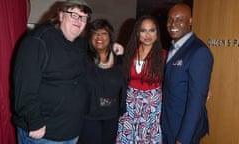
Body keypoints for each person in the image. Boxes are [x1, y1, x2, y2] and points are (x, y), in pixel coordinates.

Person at [12, 0, 92, 143]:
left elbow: (96, 59)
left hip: (71, 130)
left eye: (83, 17)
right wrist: (35, 122)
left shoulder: (80, 44)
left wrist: (113, 48)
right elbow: (23, 88)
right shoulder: (38, 41)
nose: (78, 20)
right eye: (73, 14)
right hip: (43, 134)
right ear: (61, 15)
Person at [161, 3, 214, 144]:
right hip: (168, 124)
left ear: (190, 21)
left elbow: (197, 100)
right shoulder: (173, 48)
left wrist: (183, 138)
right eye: (170, 19)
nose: (173, 24)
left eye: (179, 19)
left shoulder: (199, 51)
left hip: (183, 130)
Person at [116, 15, 165, 144]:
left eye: (152, 30)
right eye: (143, 30)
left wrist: (204, 88)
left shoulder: (164, 55)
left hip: (152, 106)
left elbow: (179, 75)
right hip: (130, 103)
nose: (147, 34)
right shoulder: (129, 53)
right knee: (126, 137)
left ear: (157, 33)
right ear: (137, 33)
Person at [80, 19, 127, 144]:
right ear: (90, 37)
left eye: (104, 33)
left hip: (112, 116)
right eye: (95, 33)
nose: (99, 36)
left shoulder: (120, 60)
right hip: (90, 116)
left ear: (110, 37)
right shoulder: (83, 58)